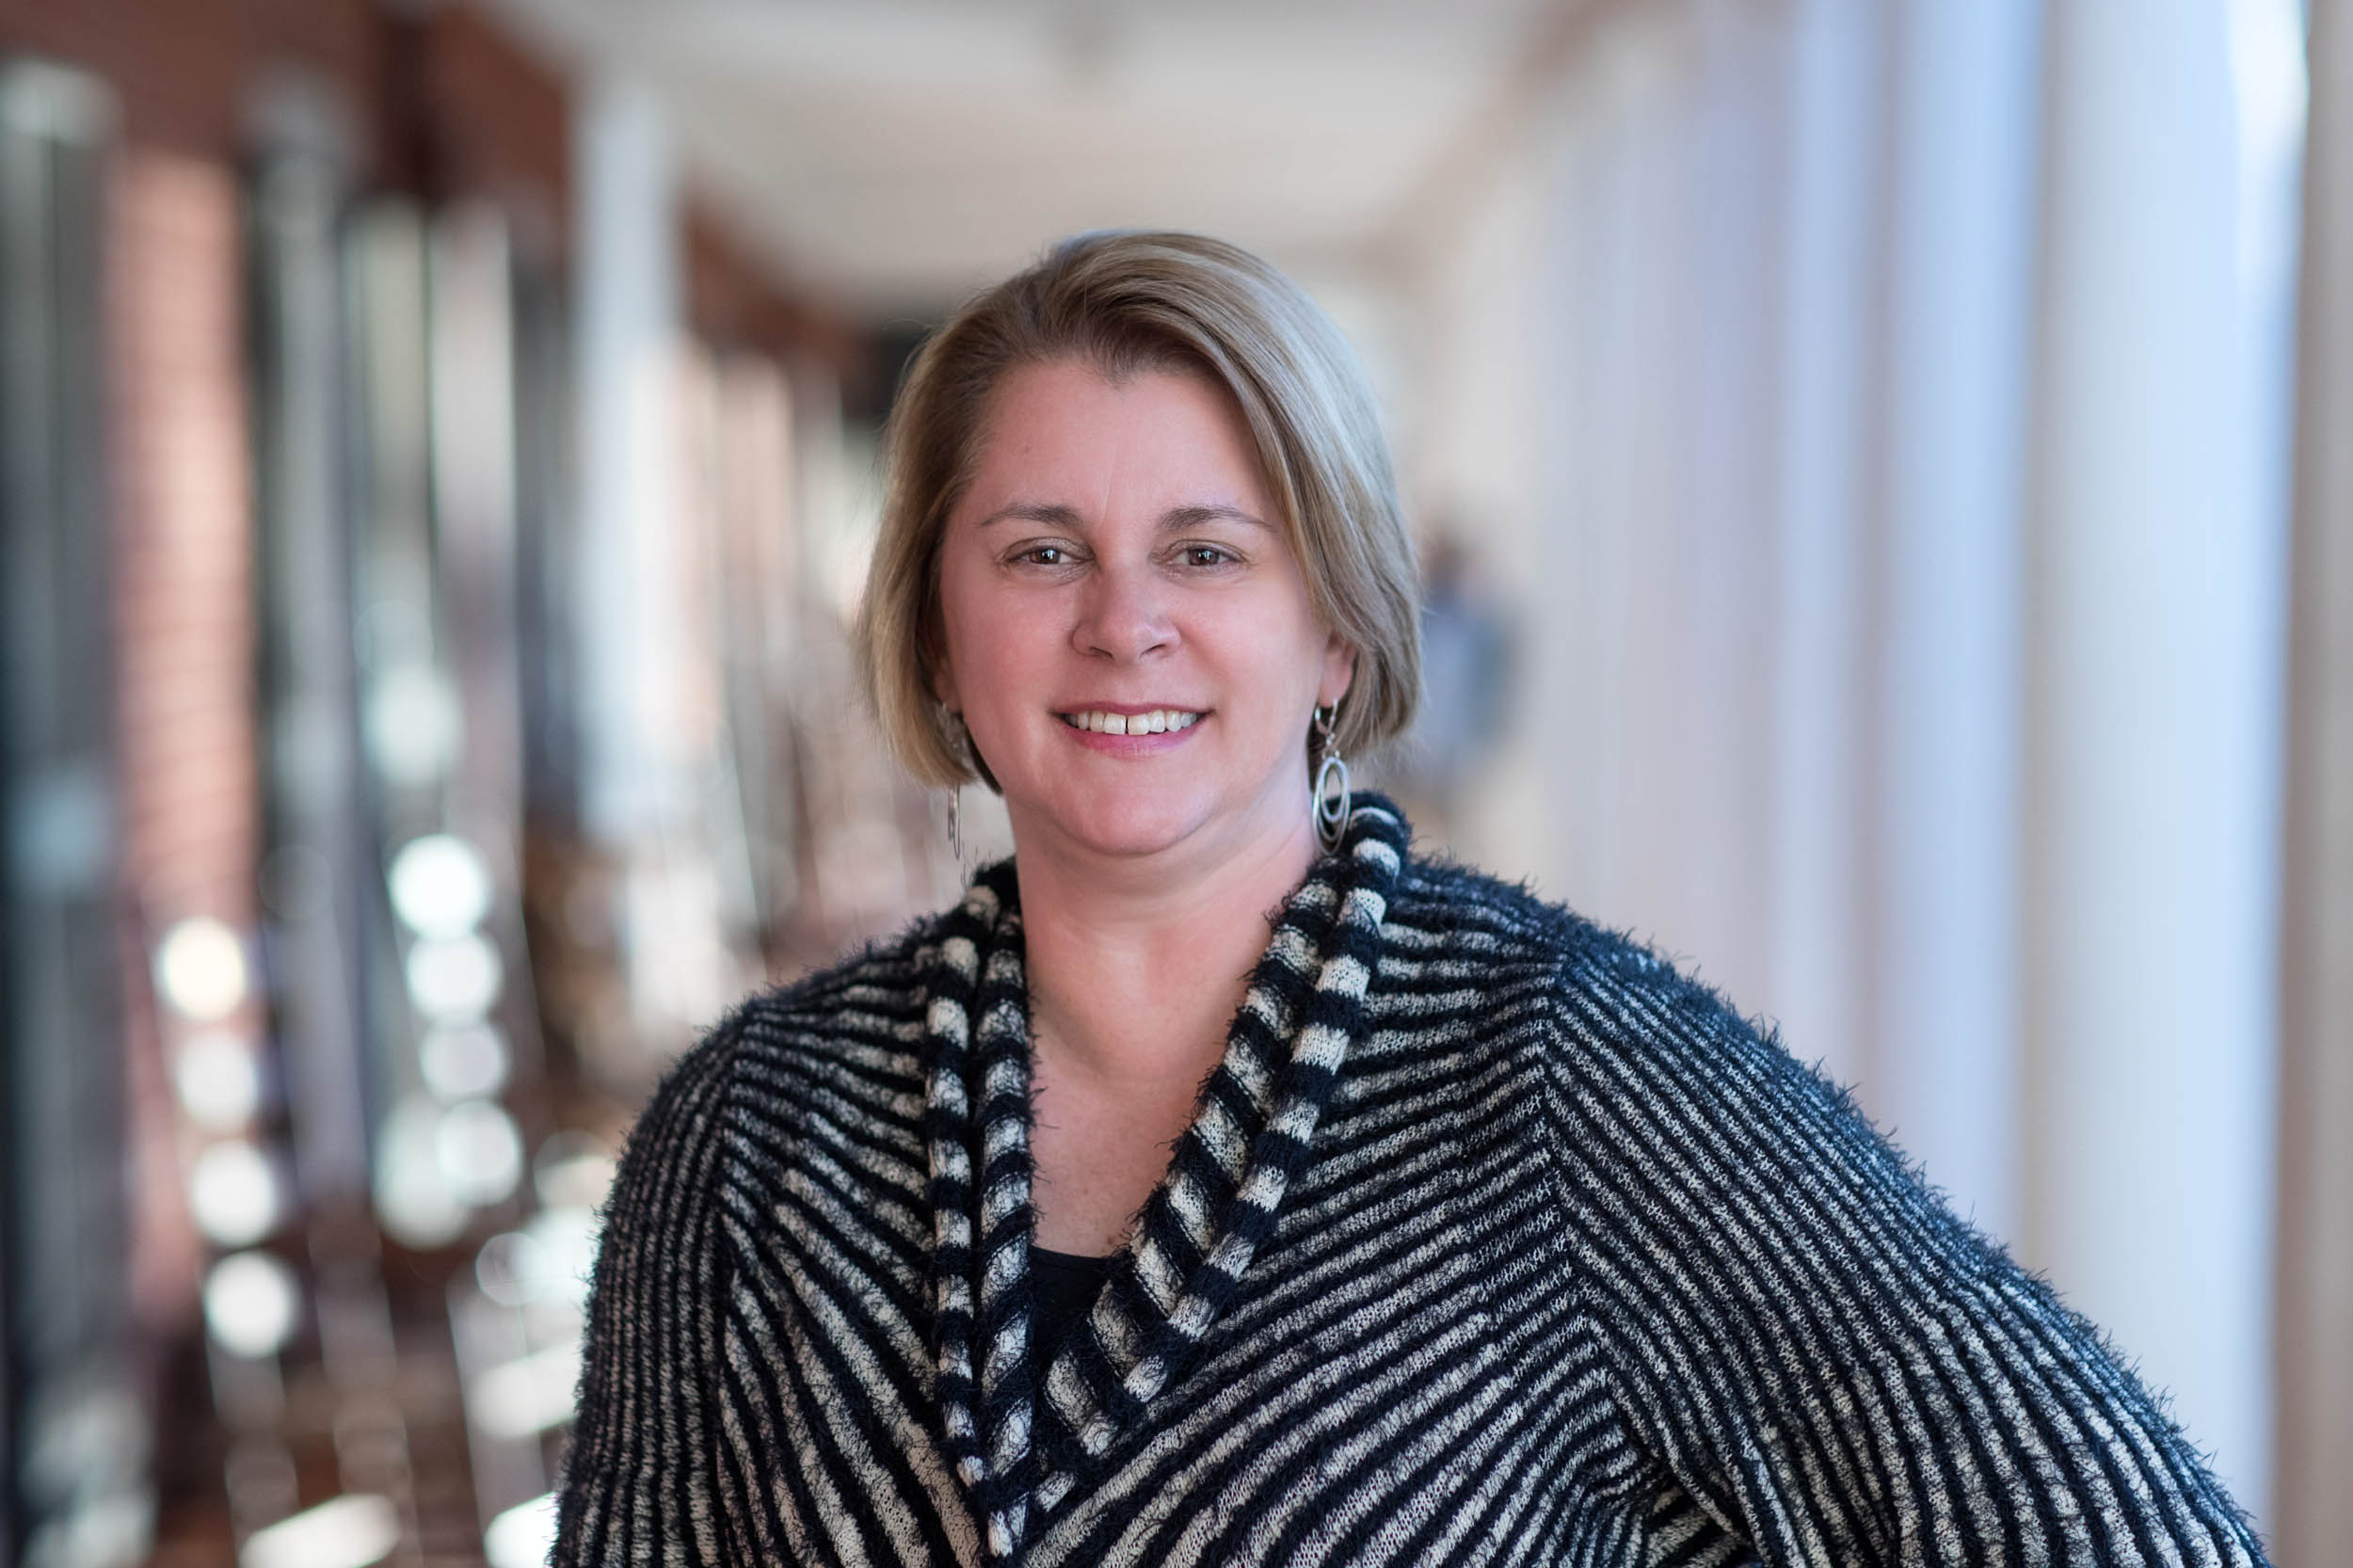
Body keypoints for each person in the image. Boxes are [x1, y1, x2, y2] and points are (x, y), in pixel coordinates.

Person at [554, 231, 2267, 1566]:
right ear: (938, 622)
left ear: (1341, 627)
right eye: (1040, 549)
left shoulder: (1569, 1079)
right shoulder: (749, 1145)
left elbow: (2117, 1526)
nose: (1122, 619)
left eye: (1210, 550)